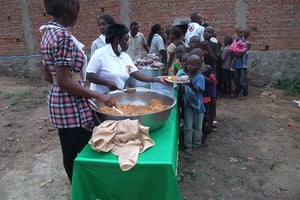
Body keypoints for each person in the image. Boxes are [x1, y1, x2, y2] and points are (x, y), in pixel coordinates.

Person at [40, 0, 115, 183]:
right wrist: (98, 95)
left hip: (57, 103)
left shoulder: (47, 33)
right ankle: (91, 189)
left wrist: (66, 84)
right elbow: (65, 81)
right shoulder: (63, 37)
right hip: (71, 106)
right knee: (90, 151)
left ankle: (77, 188)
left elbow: (49, 76)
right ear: (71, 9)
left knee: (69, 152)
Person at [86, 23, 165, 94]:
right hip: (100, 97)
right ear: (117, 39)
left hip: (116, 96)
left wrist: (158, 80)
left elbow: (136, 74)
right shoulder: (101, 53)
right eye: (126, 40)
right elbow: (89, 75)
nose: (127, 44)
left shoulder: (124, 56)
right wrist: (106, 83)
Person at [180, 54, 206, 154]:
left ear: (198, 66)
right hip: (188, 105)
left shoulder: (200, 78)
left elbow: (197, 89)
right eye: (188, 64)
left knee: (198, 126)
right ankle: (188, 145)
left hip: (199, 105)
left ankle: (197, 142)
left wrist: (190, 83)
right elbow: (183, 90)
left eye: (192, 64)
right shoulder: (184, 76)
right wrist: (181, 86)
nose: (189, 66)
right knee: (188, 126)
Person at [201, 26, 220, 128]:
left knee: (212, 96)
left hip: (211, 72)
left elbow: (215, 59)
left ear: (212, 34)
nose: (206, 33)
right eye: (205, 31)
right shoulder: (200, 44)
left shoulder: (214, 45)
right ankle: (205, 116)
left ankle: (214, 117)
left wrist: (208, 48)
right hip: (201, 72)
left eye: (209, 32)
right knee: (204, 94)